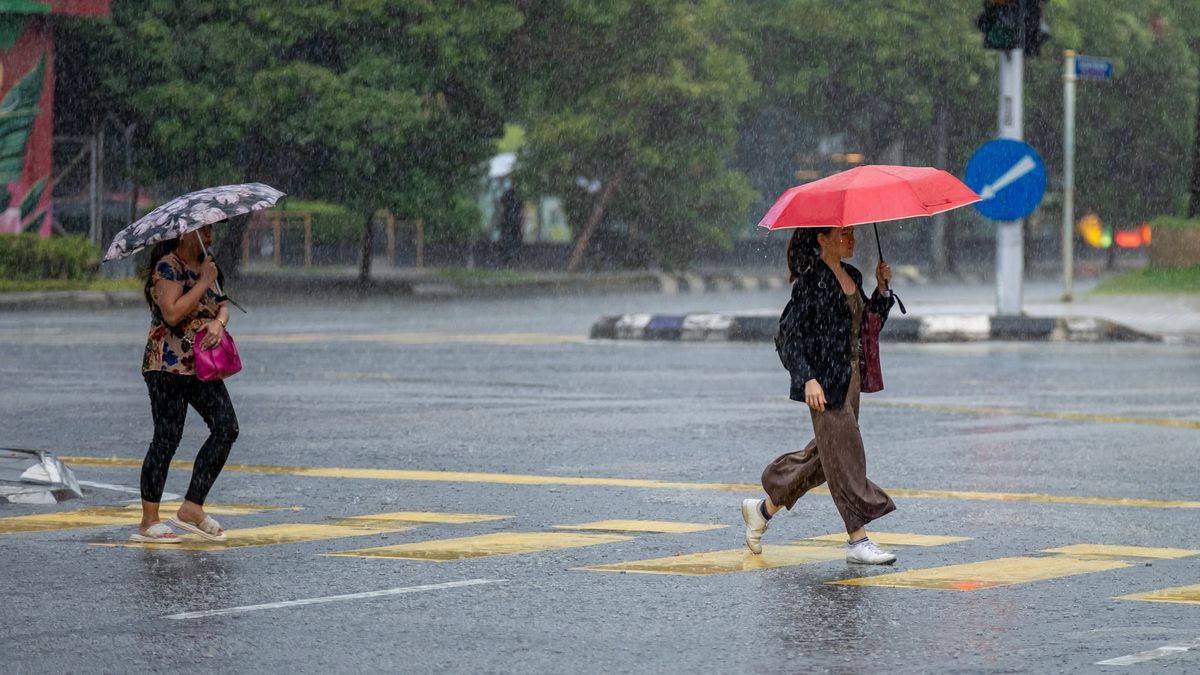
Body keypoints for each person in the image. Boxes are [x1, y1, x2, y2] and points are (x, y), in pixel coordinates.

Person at [741, 226, 897, 564]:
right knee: (845, 454)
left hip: (851, 377)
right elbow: (790, 336)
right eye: (844, 233)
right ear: (823, 239)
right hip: (824, 383)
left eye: (853, 232)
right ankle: (858, 539)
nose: (852, 238)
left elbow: (866, 323)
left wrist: (882, 291)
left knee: (825, 459)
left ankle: (762, 511)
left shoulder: (852, 274)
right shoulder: (811, 282)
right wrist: (807, 378)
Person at [130, 223, 237, 543]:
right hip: (166, 365)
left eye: (210, 231)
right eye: (203, 232)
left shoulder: (207, 263)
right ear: (185, 234)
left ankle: (192, 507)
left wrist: (219, 322)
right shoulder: (168, 267)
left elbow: (223, 304)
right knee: (167, 438)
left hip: (201, 366)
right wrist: (203, 280)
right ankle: (149, 521)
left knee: (226, 427)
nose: (209, 237)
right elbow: (172, 313)